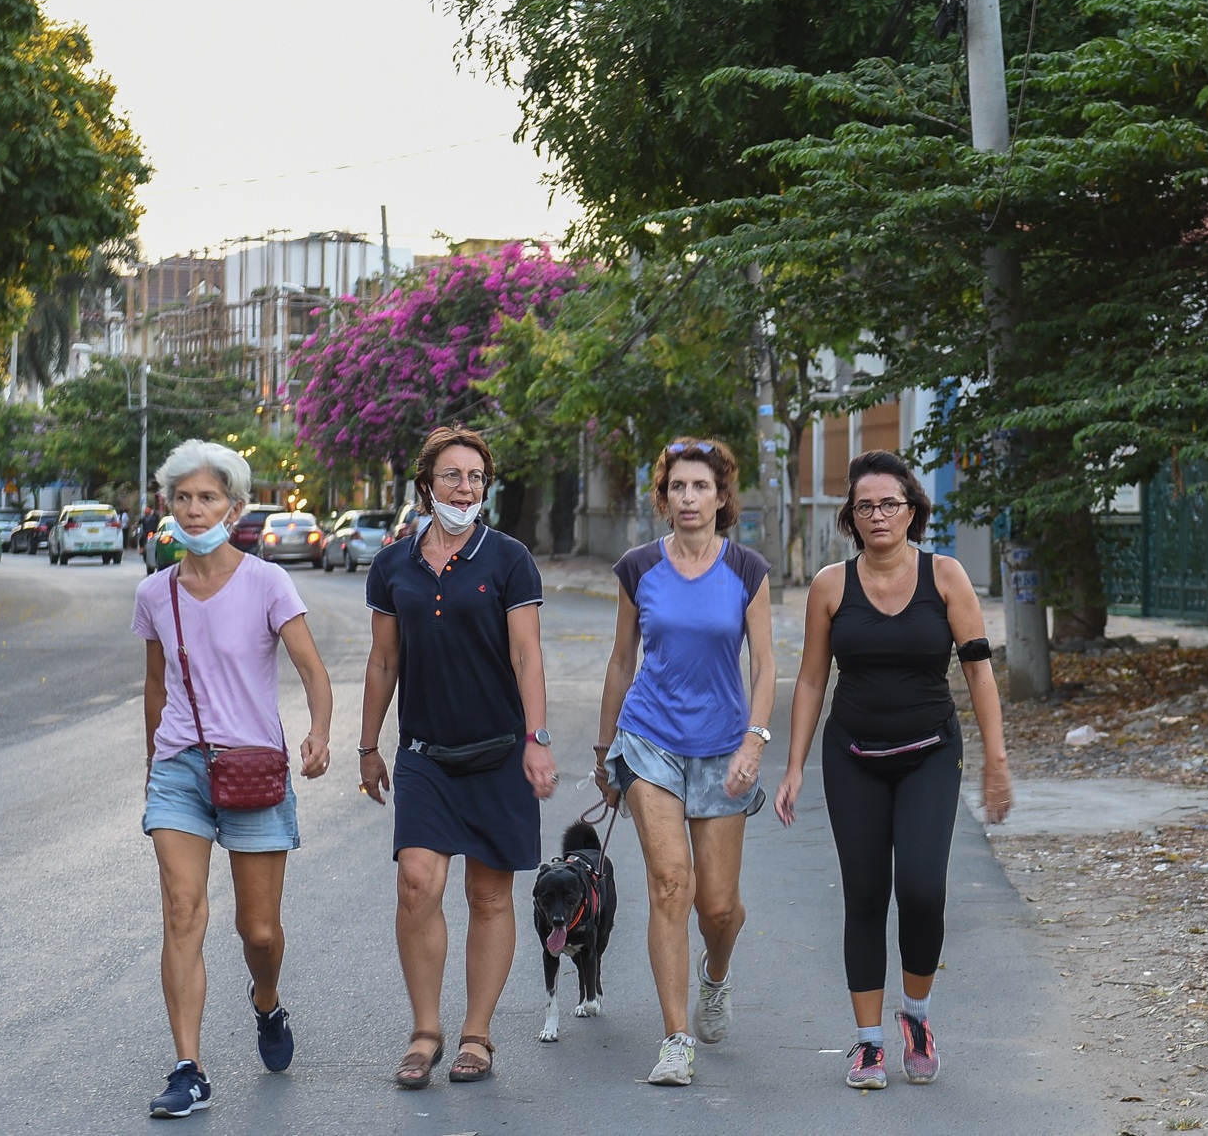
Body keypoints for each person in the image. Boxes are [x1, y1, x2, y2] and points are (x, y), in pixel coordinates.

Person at [775, 450, 1013, 1090]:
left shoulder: (947, 577)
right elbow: (810, 679)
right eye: (865, 506)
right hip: (852, 753)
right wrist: (793, 765)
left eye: (890, 503)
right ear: (850, 517)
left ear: (913, 509)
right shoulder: (831, 584)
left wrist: (996, 758)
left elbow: (979, 671)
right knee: (864, 894)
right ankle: (869, 1042)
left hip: (930, 751)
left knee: (921, 888)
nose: (878, 515)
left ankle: (917, 1015)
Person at [133, 439, 335, 1119]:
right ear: (169, 507)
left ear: (236, 506)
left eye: (208, 497)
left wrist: (318, 732)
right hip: (181, 771)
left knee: (260, 932)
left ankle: (266, 1001)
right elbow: (155, 688)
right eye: (183, 498)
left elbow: (311, 667)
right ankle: (188, 1067)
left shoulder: (267, 581)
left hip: (253, 767)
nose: (194, 509)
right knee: (183, 909)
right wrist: (153, 773)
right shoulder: (155, 592)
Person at [357, 426, 556, 1089]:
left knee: (489, 893)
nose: (466, 487)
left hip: (500, 752)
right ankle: (425, 1030)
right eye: (453, 475)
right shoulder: (393, 565)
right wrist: (366, 745)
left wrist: (537, 739)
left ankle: (477, 1032)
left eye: (476, 476)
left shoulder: (508, 559)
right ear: (426, 485)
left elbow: (527, 656)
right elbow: (385, 659)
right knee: (417, 883)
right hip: (424, 754)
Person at [594, 437, 775, 1087]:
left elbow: (766, 664)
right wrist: (604, 746)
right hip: (649, 741)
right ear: (664, 497)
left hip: (726, 746)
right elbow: (621, 660)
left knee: (718, 906)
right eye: (678, 487)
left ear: (722, 496)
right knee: (673, 882)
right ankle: (675, 1038)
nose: (690, 498)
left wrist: (755, 740)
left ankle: (715, 975)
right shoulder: (638, 566)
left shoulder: (747, 568)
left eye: (702, 486)